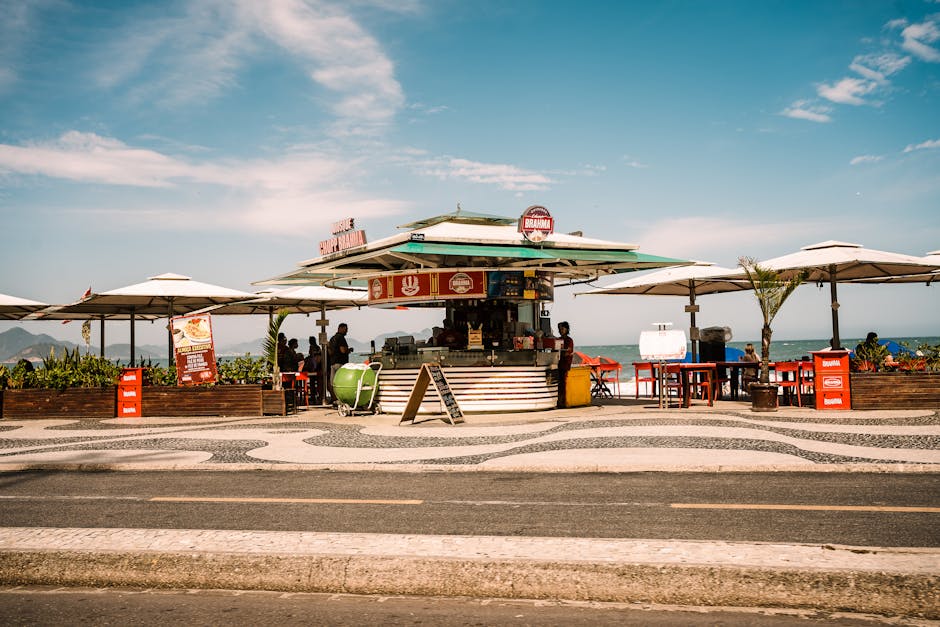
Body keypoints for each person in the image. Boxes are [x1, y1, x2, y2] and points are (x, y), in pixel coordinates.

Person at [327, 323, 350, 403]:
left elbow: (329, 352)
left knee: (332, 382)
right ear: (341, 328)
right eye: (346, 329)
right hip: (340, 363)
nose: (347, 331)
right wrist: (349, 350)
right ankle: (340, 399)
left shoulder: (332, 338)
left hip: (333, 363)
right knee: (341, 382)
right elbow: (343, 350)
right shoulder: (341, 338)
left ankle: (334, 399)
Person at [556, 321, 574, 409]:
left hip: (565, 364)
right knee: (560, 384)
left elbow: (568, 352)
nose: (560, 330)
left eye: (562, 329)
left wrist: (562, 353)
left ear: (566, 329)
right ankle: (560, 401)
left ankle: (563, 402)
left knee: (563, 384)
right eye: (559, 329)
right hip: (559, 364)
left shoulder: (569, 340)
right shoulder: (558, 339)